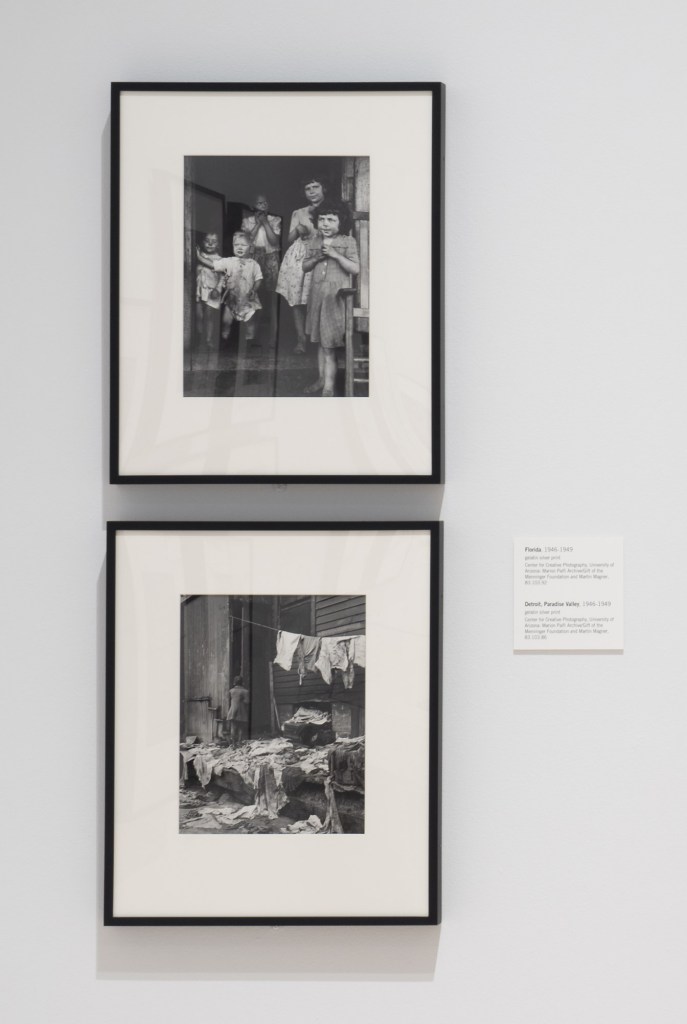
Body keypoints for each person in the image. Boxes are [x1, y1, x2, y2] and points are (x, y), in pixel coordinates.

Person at [302, 203, 359, 397]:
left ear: (341, 222)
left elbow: (355, 268)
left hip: (334, 300)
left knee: (328, 347)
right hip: (317, 297)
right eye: (322, 219)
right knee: (320, 343)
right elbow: (305, 267)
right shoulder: (314, 240)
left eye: (331, 220)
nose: (325, 223)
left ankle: (328, 387)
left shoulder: (348, 241)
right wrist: (316, 258)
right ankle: (321, 380)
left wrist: (335, 255)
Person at [276, 175, 328, 353]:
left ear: (324, 188)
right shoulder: (298, 213)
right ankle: (301, 340)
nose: (312, 191)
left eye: (316, 187)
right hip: (300, 255)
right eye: (308, 189)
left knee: (321, 298)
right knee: (297, 300)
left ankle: (322, 339)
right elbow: (289, 239)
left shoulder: (332, 209)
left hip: (322, 254)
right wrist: (298, 230)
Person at [197, 231, 263, 342]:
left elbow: (258, 279)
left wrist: (254, 289)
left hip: (248, 300)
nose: (239, 247)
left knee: (250, 323)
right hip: (232, 299)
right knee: (226, 321)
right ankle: (225, 340)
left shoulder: (254, 264)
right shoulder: (229, 261)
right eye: (236, 245)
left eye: (243, 245)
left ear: (250, 247)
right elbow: (213, 264)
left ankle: (249, 341)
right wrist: (199, 257)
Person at [194, 231, 224, 348]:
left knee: (209, 316)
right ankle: (200, 338)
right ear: (202, 242)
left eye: (213, 242)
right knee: (199, 316)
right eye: (207, 241)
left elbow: (223, 277)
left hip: (212, 292)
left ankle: (208, 340)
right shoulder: (199, 254)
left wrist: (218, 289)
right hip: (200, 290)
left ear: (218, 244)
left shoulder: (219, 260)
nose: (210, 244)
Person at [226, 675, 250, 746]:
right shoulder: (245, 691)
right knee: (241, 728)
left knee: (233, 727)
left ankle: (233, 744)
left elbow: (228, 700)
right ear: (242, 682)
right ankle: (239, 742)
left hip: (233, 710)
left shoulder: (231, 691)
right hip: (241, 711)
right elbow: (247, 702)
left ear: (234, 682)